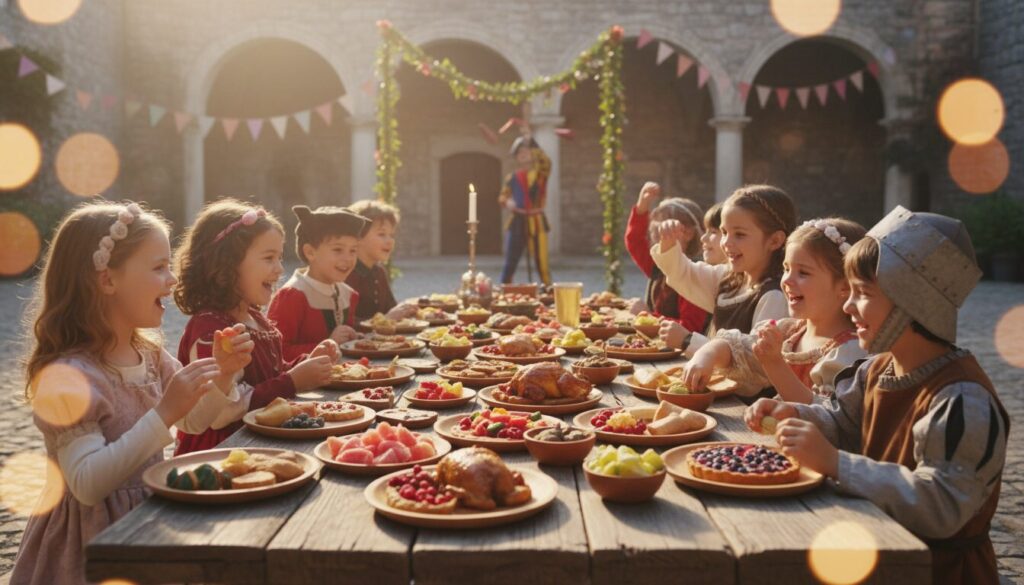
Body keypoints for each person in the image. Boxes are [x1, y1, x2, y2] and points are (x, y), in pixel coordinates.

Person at [745, 206, 1009, 585]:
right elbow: (844, 422)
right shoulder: (877, 369)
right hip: (880, 555)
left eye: (863, 293)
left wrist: (837, 463)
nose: (848, 305)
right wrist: (797, 415)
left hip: (938, 573)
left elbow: (941, 505)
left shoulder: (961, 399)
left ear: (910, 301)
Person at [11, 201, 253, 585]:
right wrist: (164, 413)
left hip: (144, 522)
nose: (172, 280)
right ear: (107, 280)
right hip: (90, 544)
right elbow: (87, 484)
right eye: (159, 267)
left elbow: (194, 420)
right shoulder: (69, 377)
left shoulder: (150, 354)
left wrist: (223, 375)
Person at [173, 199, 338, 455]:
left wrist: (306, 364)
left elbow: (269, 374)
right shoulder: (211, 331)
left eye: (280, 258)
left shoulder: (255, 318)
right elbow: (222, 411)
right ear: (227, 263)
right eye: (269, 258)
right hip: (222, 453)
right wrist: (293, 381)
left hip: (262, 442)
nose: (280, 269)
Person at [682, 218, 867, 403]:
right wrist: (707, 354)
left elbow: (824, 412)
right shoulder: (788, 331)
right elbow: (740, 350)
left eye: (803, 273)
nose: (787, 280)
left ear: (844, 286)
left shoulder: (850, 352)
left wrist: (775, 364)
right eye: (786, 269)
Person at [653, 184, 795, 358]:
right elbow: (683, 273)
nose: (726, 242)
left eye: (739, 234)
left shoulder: (774, 296)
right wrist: (669, 242)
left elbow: (754, 360)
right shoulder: (728, 280)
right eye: (724, 232)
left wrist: (688, 340)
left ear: (774, 241)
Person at [269, 205, 370, 361]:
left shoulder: (348, 294)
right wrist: (327, 344)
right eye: (338, 250)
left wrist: (353, 338)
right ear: (310, 252)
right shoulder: (292, 296)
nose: (348, 258)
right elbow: (275, 353)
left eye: (353, 251)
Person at [624, 181, 710, 333]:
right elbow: (635, 241)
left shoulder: (693, 275)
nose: (660, 237)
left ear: (689, 234)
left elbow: (690, 327)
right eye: (657, 231)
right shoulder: (658, 266)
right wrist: (642, 207)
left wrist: (648, 316)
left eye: (667, 232)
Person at [346, 199, 418, 321]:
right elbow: (345, 322)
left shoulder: (379, 272)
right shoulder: (345, 273)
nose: (390, 241)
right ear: (358, 237)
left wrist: (407, 310)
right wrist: (386, 319)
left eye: (392, 235)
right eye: (381, 234)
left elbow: (392, 309)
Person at [498, 122, 552, 285]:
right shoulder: (512, 178)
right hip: (517, 221)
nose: (523, 154)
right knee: (510, 261)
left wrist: (530, 140)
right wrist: (507, 202)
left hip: (537, 221)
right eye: (520, 152)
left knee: (542, 263)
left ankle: (548, 290)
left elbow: (546, 161)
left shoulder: (541, 174)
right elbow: (503, 197)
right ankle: (505, 289)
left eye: (526, 151)